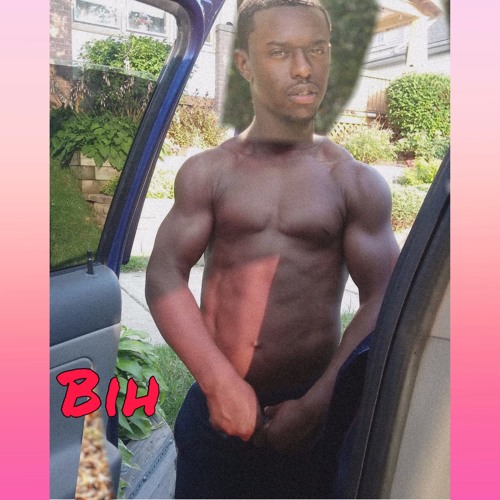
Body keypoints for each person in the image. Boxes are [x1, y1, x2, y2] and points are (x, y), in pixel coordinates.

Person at [145, 0, 400, 497]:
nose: (303, 69)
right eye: (280, 52)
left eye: (316, 50)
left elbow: (383, 294)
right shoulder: (210, 172)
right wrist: (217, 381)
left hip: (309, 412)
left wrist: (320, 402)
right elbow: (164, 274)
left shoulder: (353, 182)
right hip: (216, 407)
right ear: (244, 64)